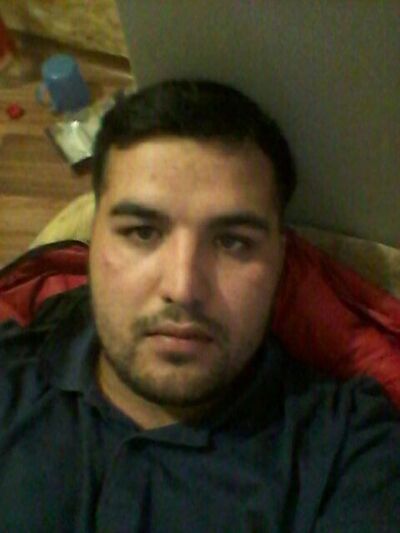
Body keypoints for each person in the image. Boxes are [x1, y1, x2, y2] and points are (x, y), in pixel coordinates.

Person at [0, 79, 399, 532]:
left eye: (233, 242)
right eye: (142, 232)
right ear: (93, 241)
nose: (183, 288)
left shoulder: (351, 451)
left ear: (281, 260)